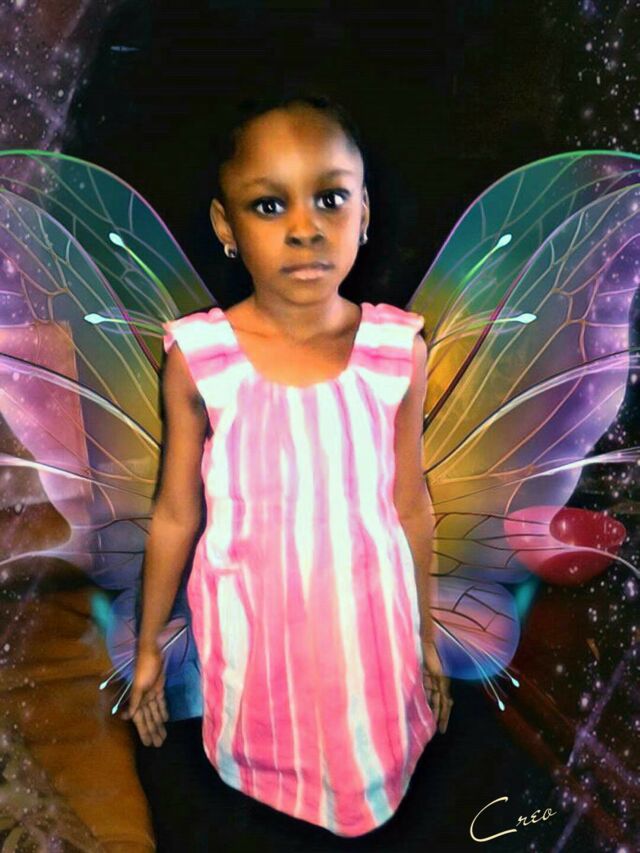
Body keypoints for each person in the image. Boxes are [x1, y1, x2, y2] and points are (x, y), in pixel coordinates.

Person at [121, 91, 453, 839]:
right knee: (262, 806)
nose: (305, 228)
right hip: (256, 638)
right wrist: (147, 649)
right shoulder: (201, 358)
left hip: (372, 636)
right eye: (269, 206)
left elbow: (409, 503)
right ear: (226, 226)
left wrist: (427, 639)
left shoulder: (397, 352)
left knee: (373, 781)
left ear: (364, 212)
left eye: (330, 198)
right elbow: (176, 511)